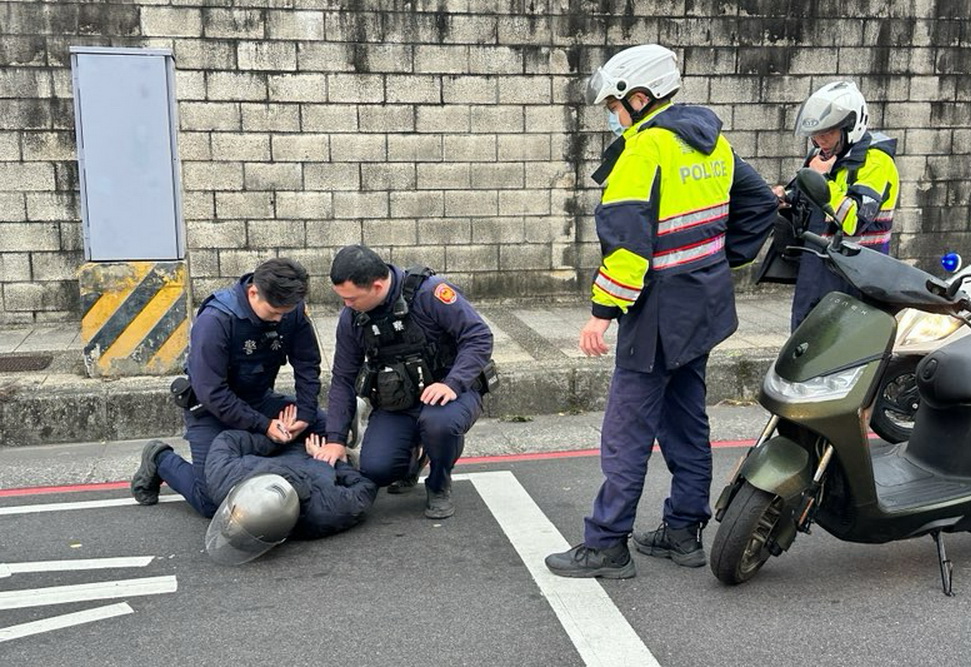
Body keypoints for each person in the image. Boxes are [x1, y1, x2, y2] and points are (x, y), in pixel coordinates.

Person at [544, 44, 777, 579]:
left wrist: (601, 312)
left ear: (640, 98)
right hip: (704, 306)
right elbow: (761, 204)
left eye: (613, 104)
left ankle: (606, 545)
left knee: (626, 431)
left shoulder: (644, 151)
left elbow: (627, 248)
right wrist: (720, 259)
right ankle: (682, 532)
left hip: (654, 315)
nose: (611, 114)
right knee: (686, 420)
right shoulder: (714, 142)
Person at [131, 257, 325, 517]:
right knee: (213, 502)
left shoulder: (292, 310)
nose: (280, 320)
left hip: (258, 400)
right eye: (274, 312)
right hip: (211, 410)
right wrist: (264, 426)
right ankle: (160, 459)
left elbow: (307, 363)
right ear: (253, 292)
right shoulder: (216, 320)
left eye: (285, 313)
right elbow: (212, 392)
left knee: (323, 425)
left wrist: (305, 412)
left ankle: (273, 473)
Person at [311, 244, 494, 520]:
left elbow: (479, 337)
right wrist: (335, 440)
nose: (346, 305)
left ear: (376, 285)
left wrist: (453, 383)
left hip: (450, 395)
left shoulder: (430, 293)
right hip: (398, 402)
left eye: (352, 298)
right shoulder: (353, 319)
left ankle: (439, 484)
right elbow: (342, 379)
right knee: (376, 469)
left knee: (439, 424)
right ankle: (414, 455)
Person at [771, 80, 899, 330]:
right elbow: (804, 196)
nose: (820, 141)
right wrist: (785, 198)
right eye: (815, 135)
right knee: (803, 337)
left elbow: (855, 222)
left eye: (828, 132)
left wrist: (822, 179)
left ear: (850, 127)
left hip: (855, 274)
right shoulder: (822, 156)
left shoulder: (876, 163)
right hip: (815, 267)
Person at [204, 424, 377, 546]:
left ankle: (344, 432)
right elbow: (365, 487)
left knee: (201, 497)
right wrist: (276, 439)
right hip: (306, 450)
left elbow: (367, 488)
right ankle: (341, 444)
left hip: (309, 445)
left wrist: (327, 456)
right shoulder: (224, 477)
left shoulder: (324, 511)